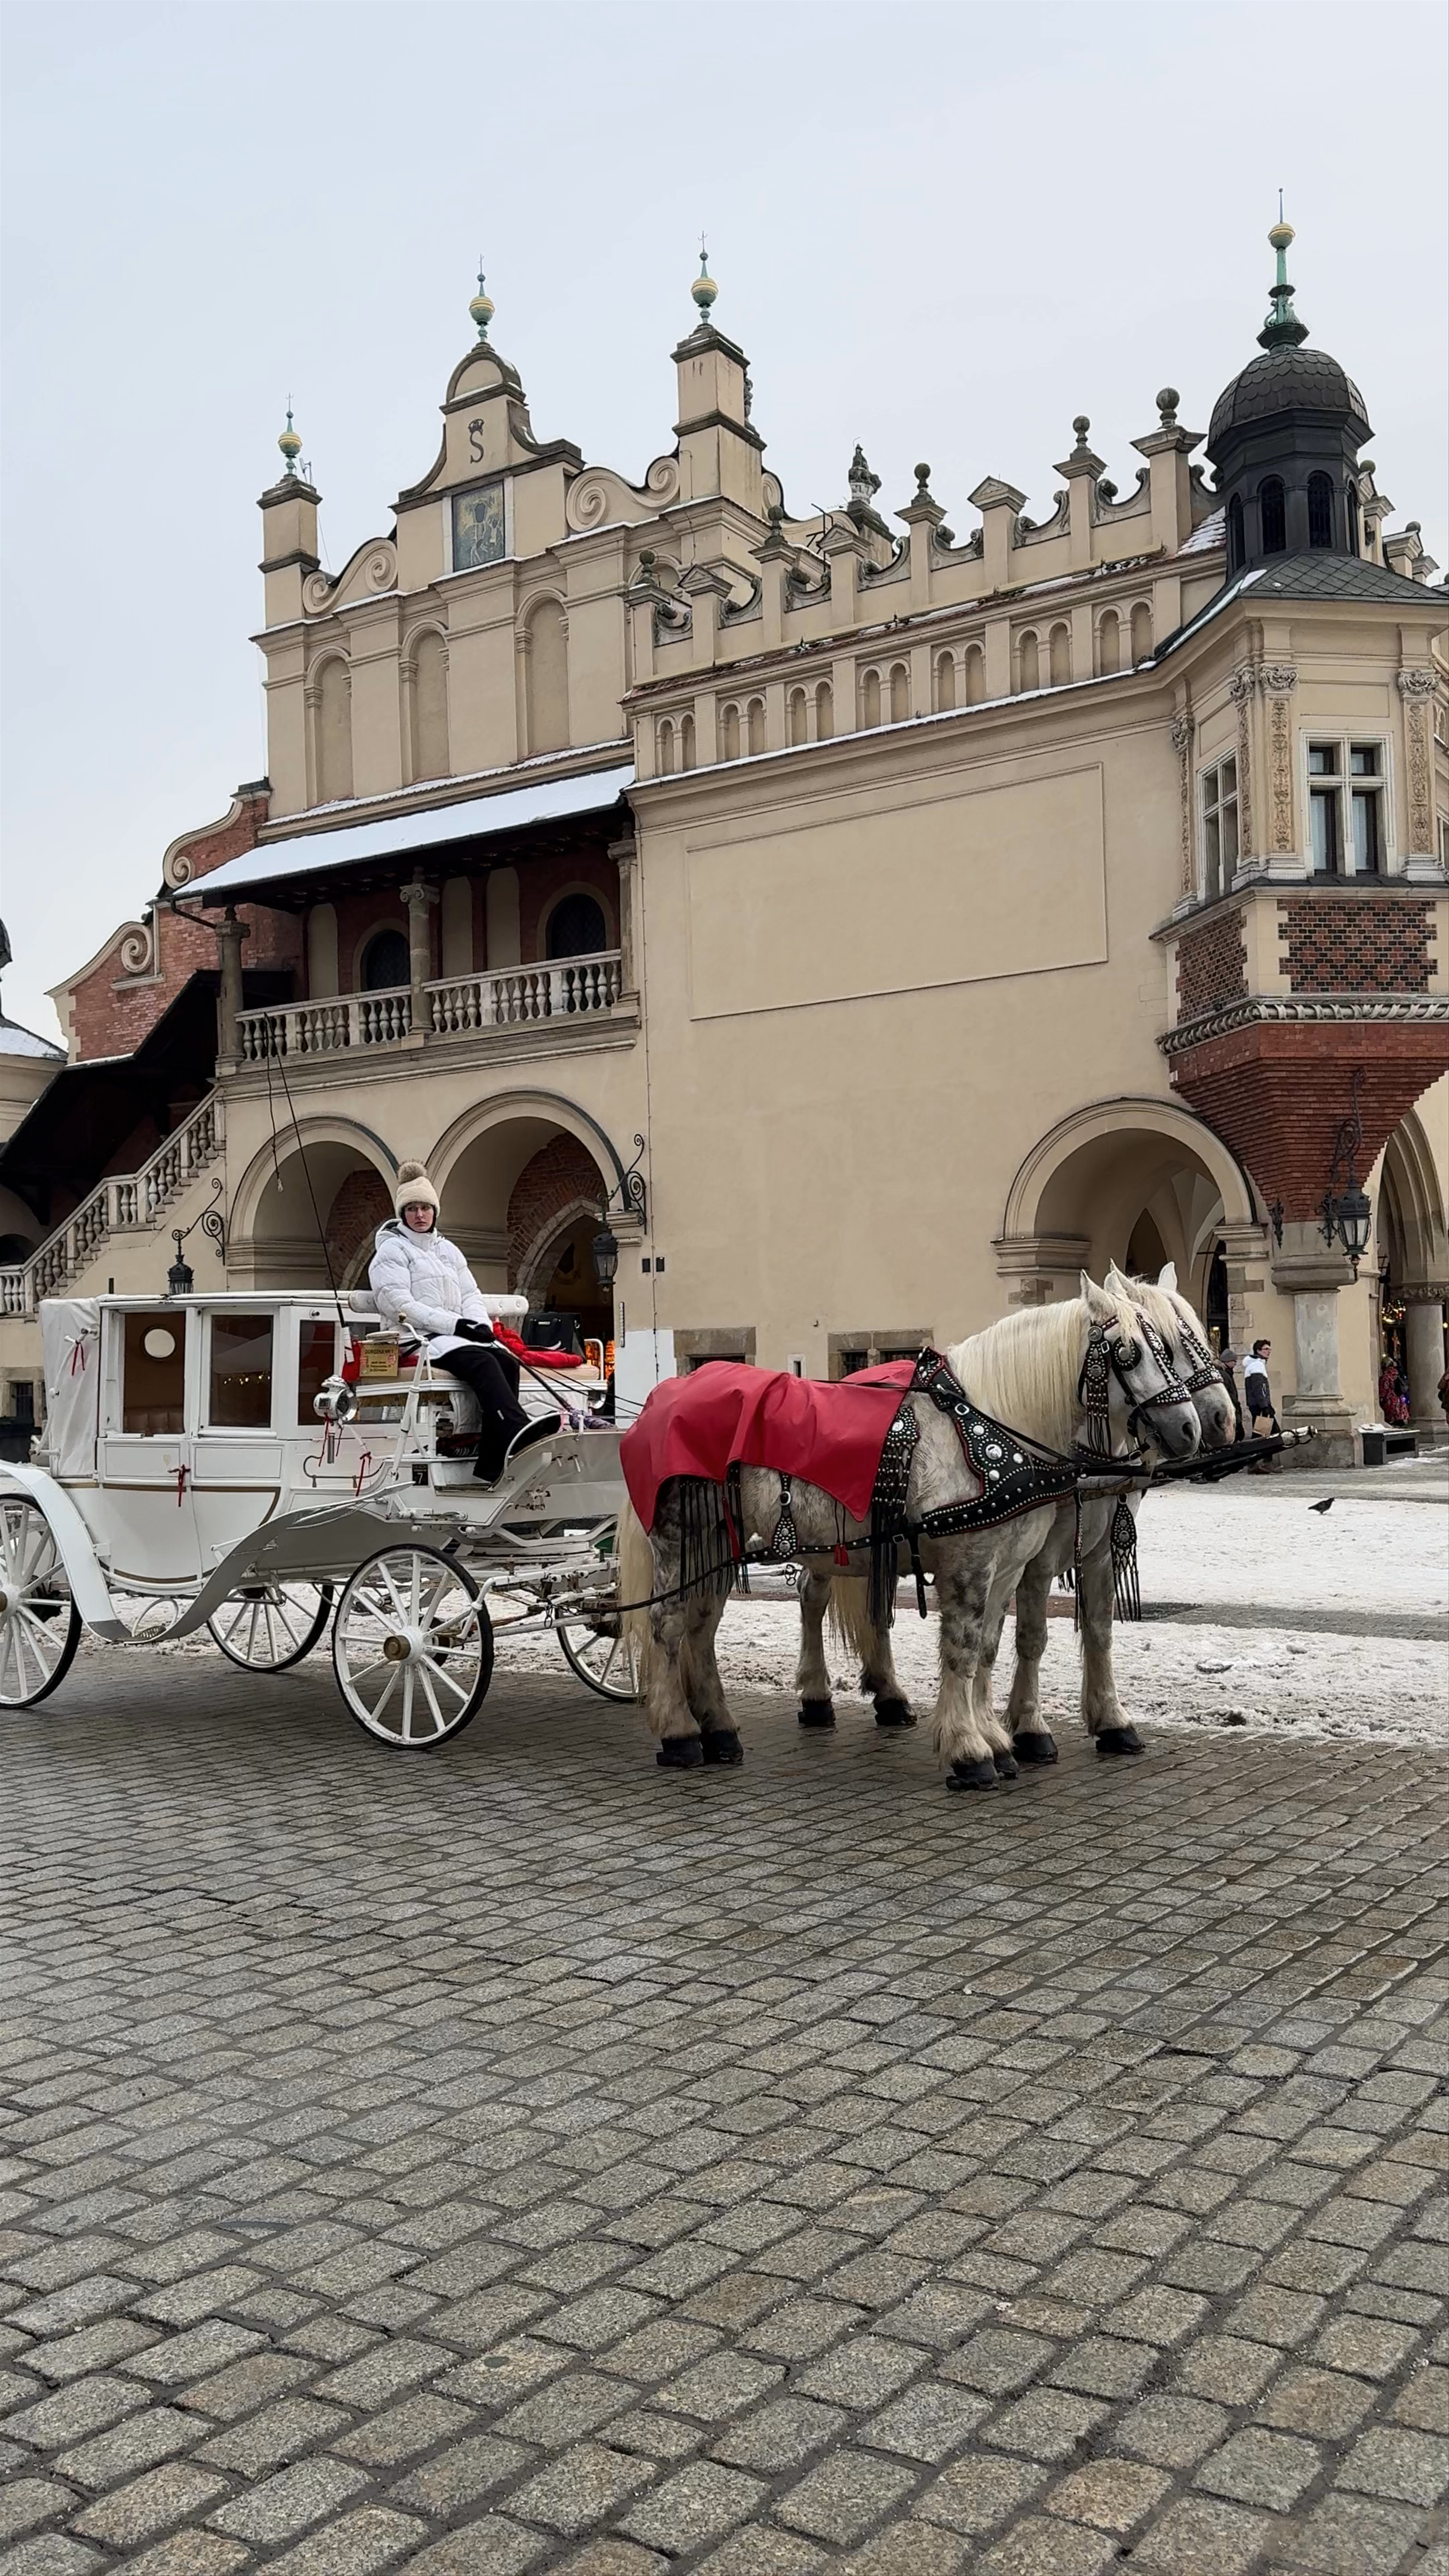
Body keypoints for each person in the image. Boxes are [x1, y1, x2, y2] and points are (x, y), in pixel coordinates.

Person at [369, 1161, 559, 1484]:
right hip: (416, 1337)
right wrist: (455, 1325)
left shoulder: (448, 1250)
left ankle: (492, 1460)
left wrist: (479, 1325)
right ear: (403, 1214)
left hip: (451, 1335)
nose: (420, 1215)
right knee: (483, 1362)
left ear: (435, 1212)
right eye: (412, 1208)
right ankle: (516, 1428)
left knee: (505, 1360)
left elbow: (471, 1294)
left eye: (426, 1208)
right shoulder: (392, 1251)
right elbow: (400, 1304)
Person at [1217, 1346, 1245, 1441]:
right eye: (1234, 1361)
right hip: (1231, 1407)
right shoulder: (1225, 1375)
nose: (1236, 1363)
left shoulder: (1227, 1373)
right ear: (1227, 1361)